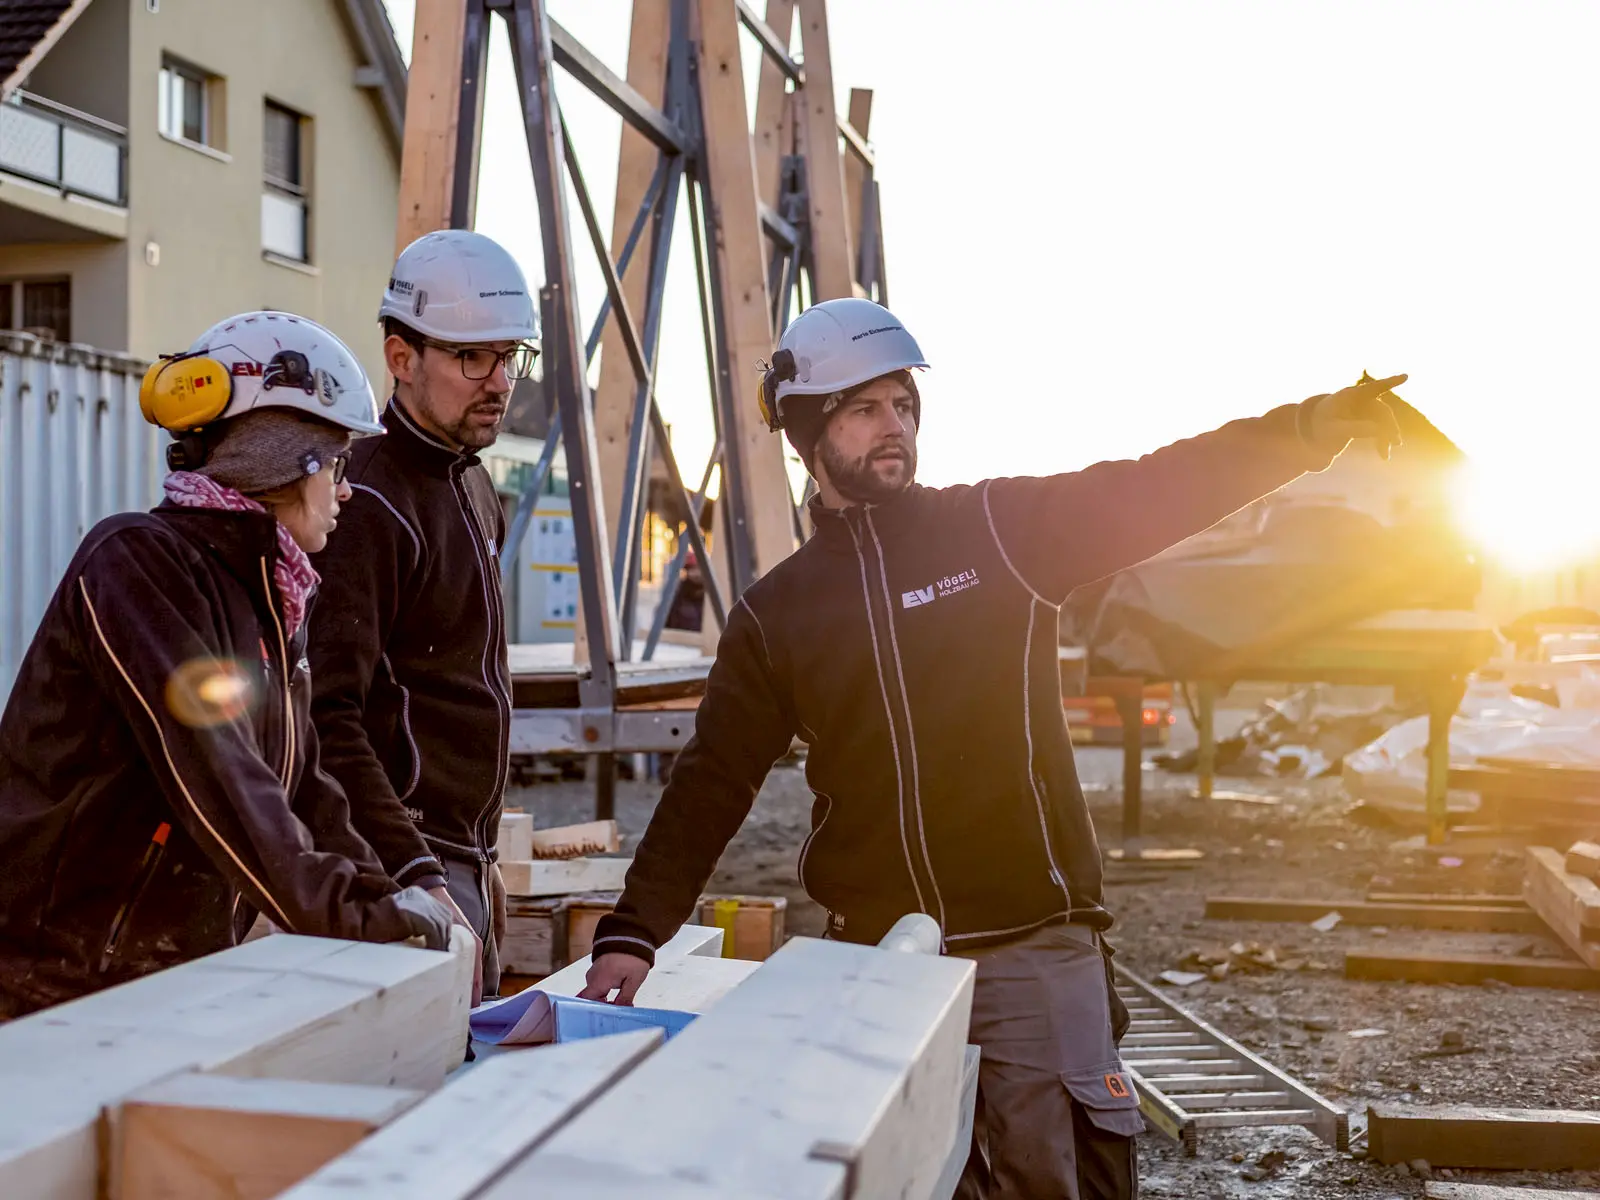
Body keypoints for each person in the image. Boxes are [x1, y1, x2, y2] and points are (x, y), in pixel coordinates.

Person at [579, 297, 1406, 1199]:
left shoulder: (997, 532)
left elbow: (1155, 488)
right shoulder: (777, 615)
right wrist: (633, 933)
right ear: (809, 434)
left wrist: (1304, 431)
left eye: (904, 405)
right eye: (865, 410)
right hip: (876, 960)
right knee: (898, 1183)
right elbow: (713, 782)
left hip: (1031, 952)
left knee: (1053, 1179)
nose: (894, 426)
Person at [0, 311, 458, 1017]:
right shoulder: (138, 565)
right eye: (337, 465)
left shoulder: (267, 598)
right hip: (50, 987)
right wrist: (357, 913)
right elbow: (220, 773)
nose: (346, 491)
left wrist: (386, 892)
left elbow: (303, 788)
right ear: (288, 461)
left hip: (157, 982)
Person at [307, 229, 540, 1000]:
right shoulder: (366, 502)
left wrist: (481, 857)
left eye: (510, 356)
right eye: (472, 357)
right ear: (401, 358)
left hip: (458, 861)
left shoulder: (473, 485)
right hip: (396, 868)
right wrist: (418, 871)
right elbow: (327, 717)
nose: (499, 381)